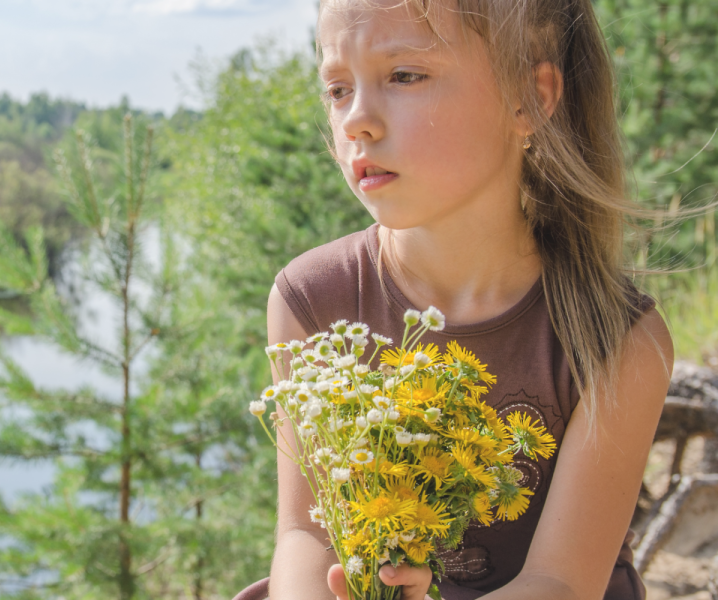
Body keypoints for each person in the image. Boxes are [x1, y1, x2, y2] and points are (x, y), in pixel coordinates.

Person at [258, 0, 675, 599]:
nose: (355, 121)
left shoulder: (618, 340)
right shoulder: (311, 302)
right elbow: (304, 533)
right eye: (337, 88)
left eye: (404, 76)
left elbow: (559, 582)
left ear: (529, 98)